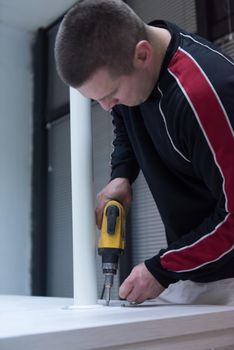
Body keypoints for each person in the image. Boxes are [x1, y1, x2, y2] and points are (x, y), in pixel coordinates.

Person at [55, 0, 234, 305]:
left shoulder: (207, 94)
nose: (108, 106)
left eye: (110, 94)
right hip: (194, 268)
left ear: (142, 54)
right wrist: (122, 175)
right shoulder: (134, 75)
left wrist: (161, 269)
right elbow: (124, 119)